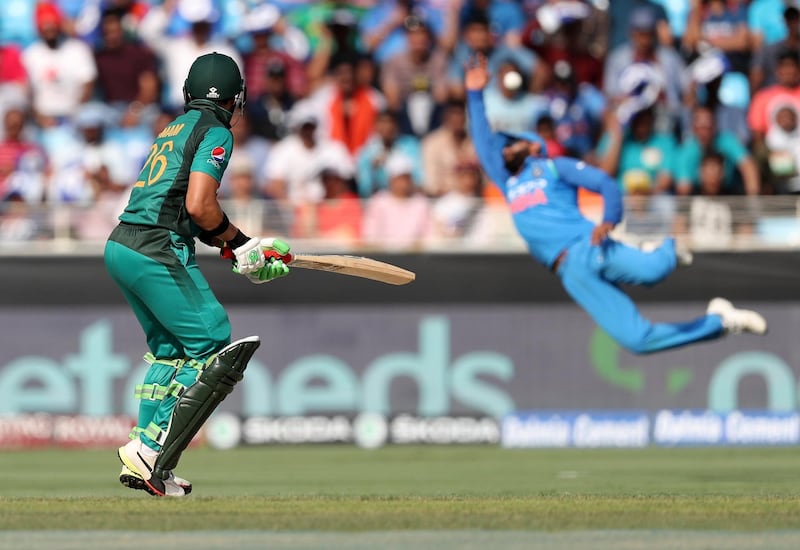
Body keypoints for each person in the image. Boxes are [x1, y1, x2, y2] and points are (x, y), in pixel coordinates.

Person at [464, 54, 767, 355]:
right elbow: (482, 141)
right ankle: (720, 323)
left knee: (654, 271)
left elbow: (605, 184)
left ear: (533, 146)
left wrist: (609, 220)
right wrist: (475, 93)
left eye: (511, 143)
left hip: (588, 245)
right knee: (638, 341)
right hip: (569, 272)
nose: (503, 150)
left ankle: (667, 248)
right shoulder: (508, 182)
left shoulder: (553, 167)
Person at [104, 53, 291, 497]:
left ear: (188, 94)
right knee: (211, 337)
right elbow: (198, 207)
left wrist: (234, 246)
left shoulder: (174, 126)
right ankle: (151, 449)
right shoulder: (217, 131)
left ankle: (143, 451)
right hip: (156, 246)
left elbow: (184, 208)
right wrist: (243, 243)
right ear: (235, 99)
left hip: (122, 244)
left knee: (170, 349)